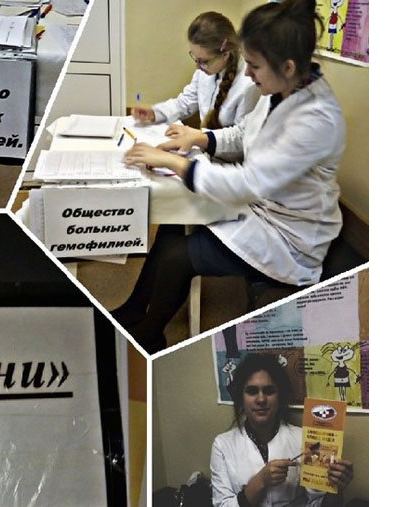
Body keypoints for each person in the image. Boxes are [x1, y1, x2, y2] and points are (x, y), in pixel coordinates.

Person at [115, 0, 345, 353]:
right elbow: (242, 134)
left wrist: (176, 163)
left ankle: (149, 335)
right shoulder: (281, 90)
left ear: (287, 66)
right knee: (173, 227)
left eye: (254, 65)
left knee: (178, 256)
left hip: (289, 237)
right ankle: (134, 310)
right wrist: (200, 139)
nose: (247, 75)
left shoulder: (314, 120)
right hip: (262, 209)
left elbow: (247, 183)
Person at [210, 354, 354, 507]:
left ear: (280, 396)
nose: (261, 399)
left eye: (269, 391)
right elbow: (222, 504)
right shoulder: (222, 445)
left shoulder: (305, 441)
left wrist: (335, 488)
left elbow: (317, 503)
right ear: (240, 397)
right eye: (252, 391)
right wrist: (260, 481)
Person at [133, 12, 259, 133]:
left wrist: (198, 137)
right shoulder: (204, 71)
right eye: (195, 58)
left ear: (225, 55)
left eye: (203, 61)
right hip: (203, 144)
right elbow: (185, 103)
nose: (198, 66)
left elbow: (240, 139)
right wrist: (155, 113)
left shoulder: (248, 85)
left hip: (219, 148)